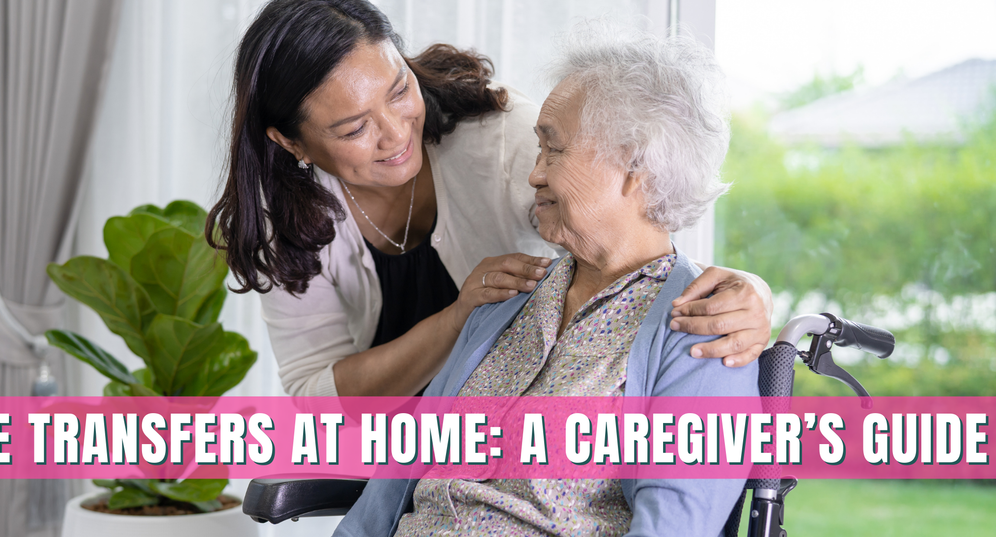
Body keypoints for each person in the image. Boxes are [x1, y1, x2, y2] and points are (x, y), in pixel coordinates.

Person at [232, 23, 758, 537]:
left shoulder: (700, 333)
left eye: (553, 149)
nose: (533, 172)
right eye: (354, 127)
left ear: (636, 167)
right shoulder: (504, 301)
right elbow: (392, 483)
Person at [205, 0, 773, 399]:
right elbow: (315, 395)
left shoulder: (511, 142)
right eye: (354, 129)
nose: (397, 133)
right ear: (289, 141)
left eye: (400, 90)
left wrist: (750, 295)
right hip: (400, 460)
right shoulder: (288, 219)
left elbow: (646, 233)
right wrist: (456, 320)